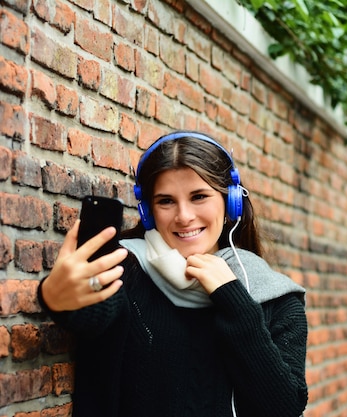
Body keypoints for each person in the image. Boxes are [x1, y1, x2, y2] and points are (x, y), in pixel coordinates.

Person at [38, 131, 308, 417]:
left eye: (199, 196)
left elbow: (284, 407)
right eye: (166, 201)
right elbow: (93, 310)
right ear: (148, 212)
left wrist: (233, 298)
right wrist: (54, 296)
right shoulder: (128, 267)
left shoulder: (276, 297)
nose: (184, 216)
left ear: (231, 203)